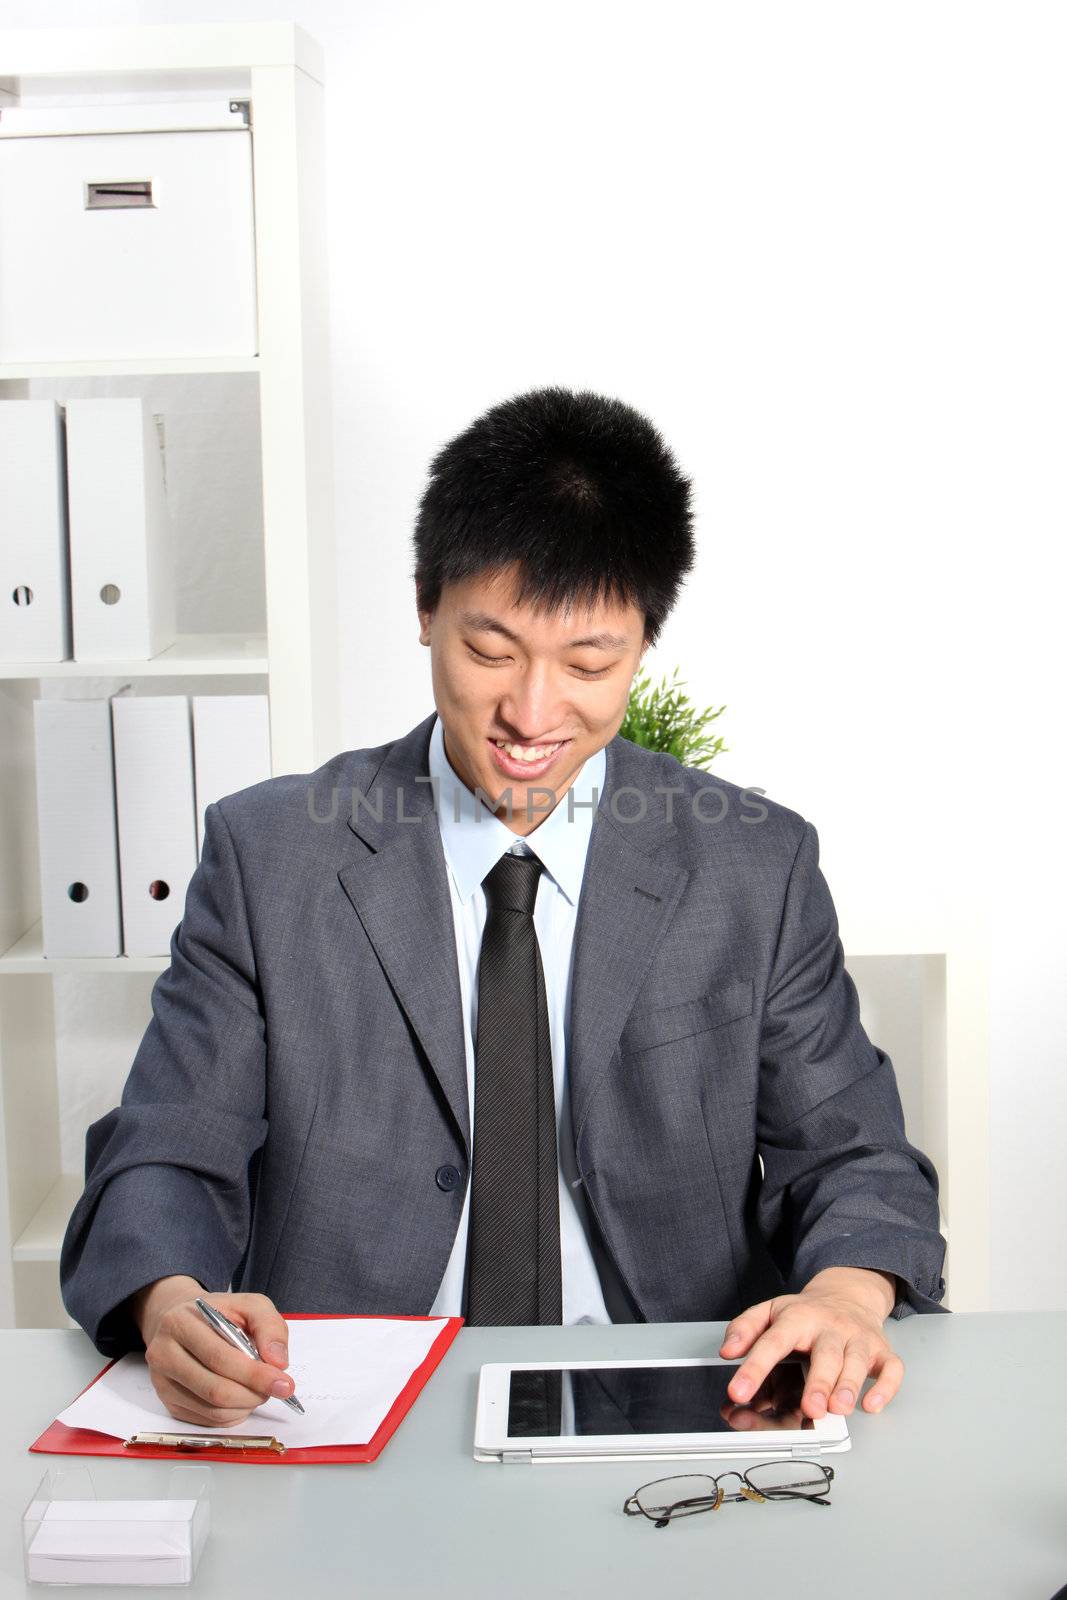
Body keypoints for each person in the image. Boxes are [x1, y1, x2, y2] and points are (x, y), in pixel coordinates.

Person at [60, 386, 946, 1433]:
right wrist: (170, 1297)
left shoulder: (753, 866)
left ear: (643, 642)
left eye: (587, 664)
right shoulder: (273, 857)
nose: (531, 714)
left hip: (684, 1399)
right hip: (339, 1404)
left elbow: (853, 1155)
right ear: (426, 606)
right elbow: (166, 1145)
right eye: (489, 652)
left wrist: (843, 1294)